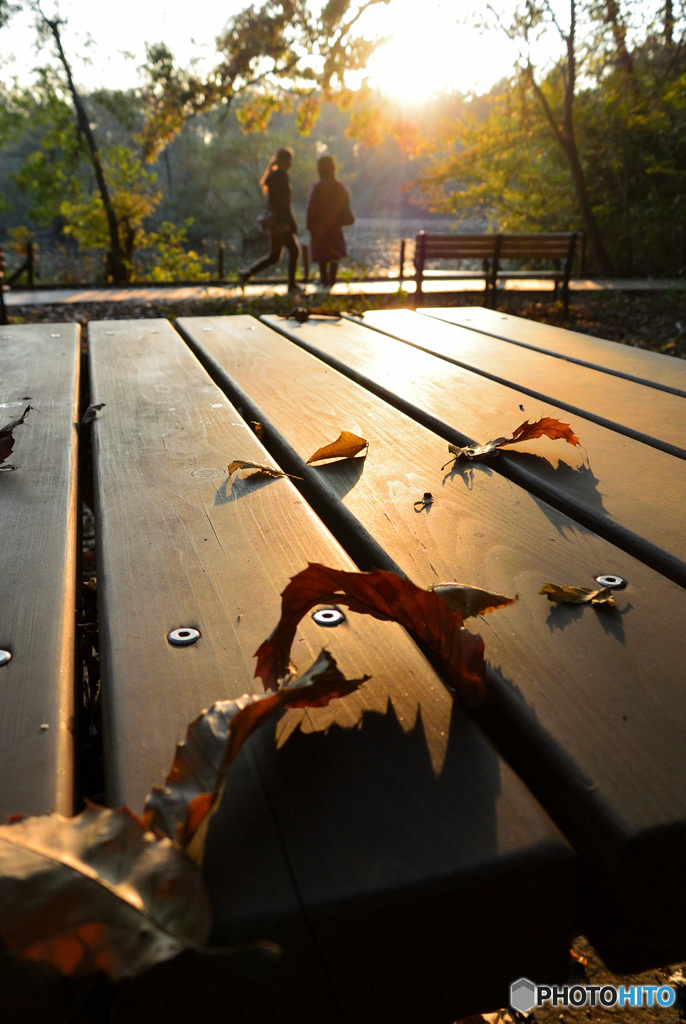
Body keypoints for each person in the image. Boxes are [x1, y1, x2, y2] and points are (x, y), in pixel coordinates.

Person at [239, 147, 302, 293]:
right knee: (294, 251)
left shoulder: (273, 176)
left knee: (274, 256)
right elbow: (284, 204)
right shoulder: (281, 176)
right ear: (285, 161)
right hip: (281, 222)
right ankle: (292, 285)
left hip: (275, 222)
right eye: (290, 160)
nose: (291, 164)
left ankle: (247, 273)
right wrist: (291, 223)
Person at [306, 154, 354, 289]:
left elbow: (311, 208)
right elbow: (345, 203)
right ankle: (332, 279)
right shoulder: (338, 186)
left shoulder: (317, 187)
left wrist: (310, 225)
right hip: (335, 227)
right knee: (333, 254)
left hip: (320, 228)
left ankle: (323, 279)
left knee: (322, 255)